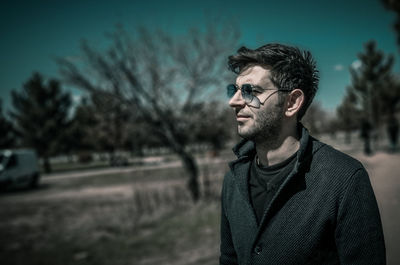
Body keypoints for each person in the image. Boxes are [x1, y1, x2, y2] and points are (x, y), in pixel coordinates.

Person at [220, 43, 386, 265]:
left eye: (250, 91)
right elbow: (229, 259)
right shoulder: (233, 179)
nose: (234, 102)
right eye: (235, 90)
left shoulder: (345, 179)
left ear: (292, 102)